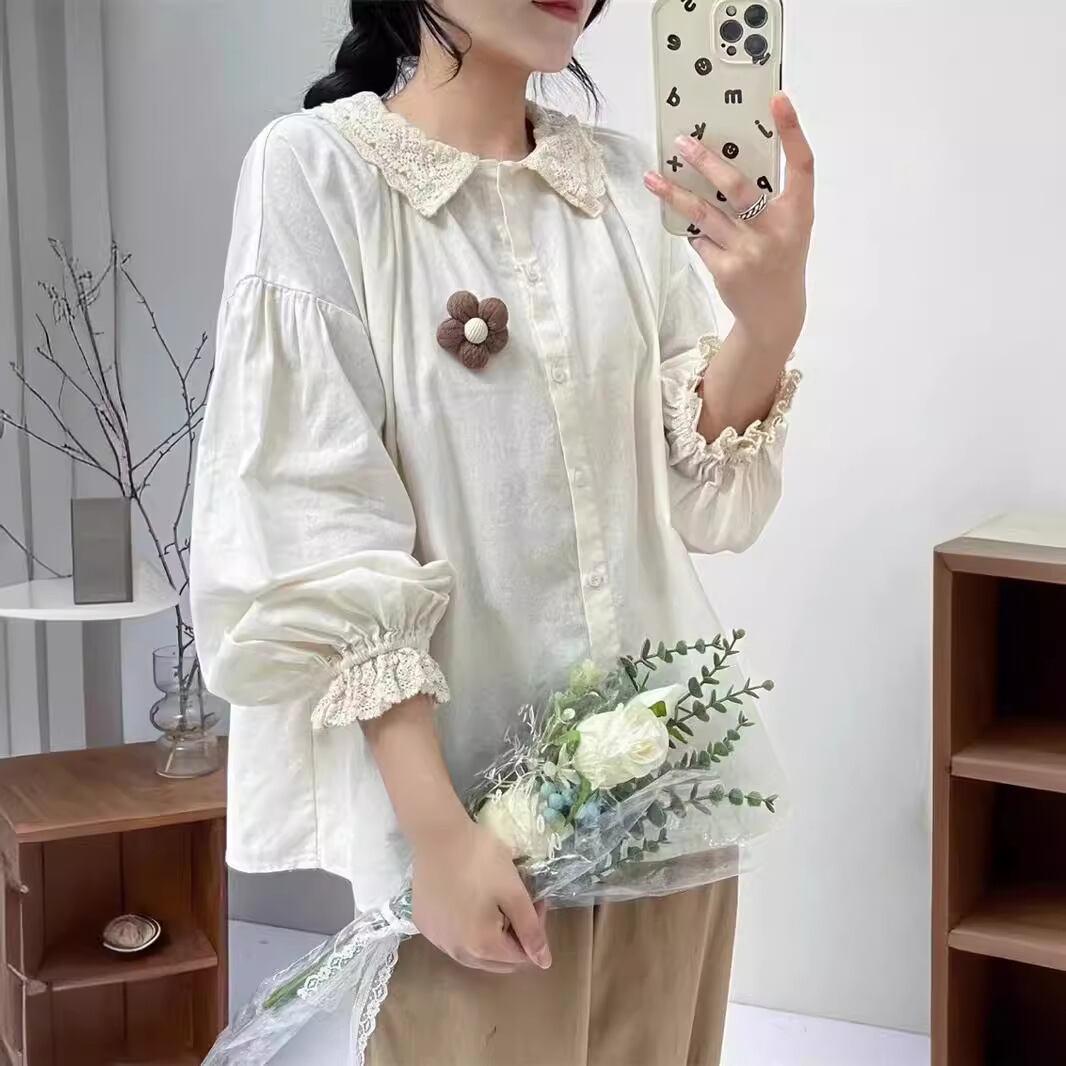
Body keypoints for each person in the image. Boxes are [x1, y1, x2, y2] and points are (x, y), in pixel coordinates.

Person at [189, 1, 814, 1062]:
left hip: (669, 808)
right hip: (478, 842)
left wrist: (771, 319)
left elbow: (703, 496)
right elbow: (314, 524)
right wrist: (437, 835)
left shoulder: (623, 185)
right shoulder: (319, 174)